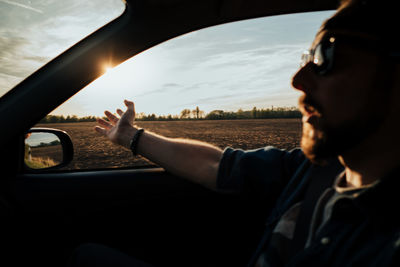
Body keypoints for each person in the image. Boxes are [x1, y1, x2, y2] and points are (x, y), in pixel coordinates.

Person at [70, 0, 400, 265]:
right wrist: (130, 136)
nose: (298, 80)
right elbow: (218, 166)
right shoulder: (312, 169)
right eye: (306, 59)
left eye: (327, 54)